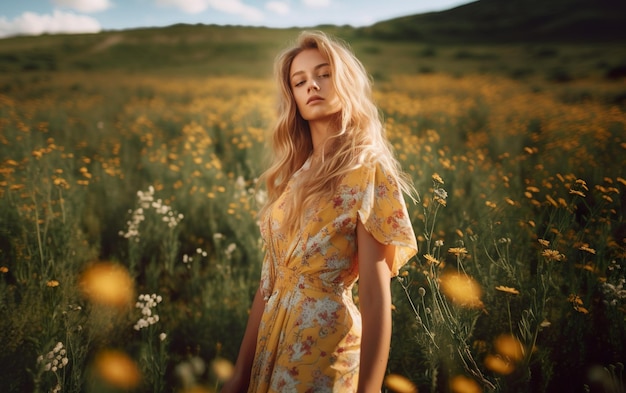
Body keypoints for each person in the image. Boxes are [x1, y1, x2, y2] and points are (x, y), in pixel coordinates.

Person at [221, 30, 417, 393]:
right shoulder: (294, 176)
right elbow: (269, 284)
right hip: (271, 346)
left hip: (326, 351)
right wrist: (238, 373)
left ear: (344, 81)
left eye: (324, 73)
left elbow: (375, 296)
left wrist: (369, 391)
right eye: (300, 81)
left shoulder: (368, 171)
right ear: (292, 96)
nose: (313, 85)